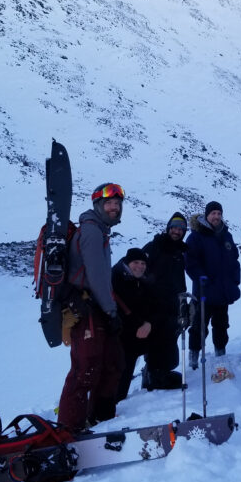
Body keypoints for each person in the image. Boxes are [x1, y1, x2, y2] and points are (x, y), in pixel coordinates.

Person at [56, 182, 126, 432]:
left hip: (97, 306)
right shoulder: (92, 231)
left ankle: (100, 417)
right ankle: (67, 429)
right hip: (87, 309)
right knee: (85, 369)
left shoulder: (100, 230)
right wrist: (110, 311)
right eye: (109, 203)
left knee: (111, 362)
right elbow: (96, 276)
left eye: (117, 204)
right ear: (97, 205)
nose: (114, 207)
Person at [184, 201, 241, 369]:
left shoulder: (226, 235)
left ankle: (220, 354)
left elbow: (234, 260)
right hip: (204, 292)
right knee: (198, 327)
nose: (216, 216)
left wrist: (235, 280)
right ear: (206, 215)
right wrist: (201, 278)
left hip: (223, 292)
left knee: (221, 326)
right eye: (213, 213)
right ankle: (194, 358)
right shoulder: (196, 236)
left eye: (218, 213)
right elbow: (190, 262)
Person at [141, 212, 188, 388]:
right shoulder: (154, 247)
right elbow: (140, 272)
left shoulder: (178, 252)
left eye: (181, 229)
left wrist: (183, 301)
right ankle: (153, 376)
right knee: (156, 341)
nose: (177, 231)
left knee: (169, 340)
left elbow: (180, 279)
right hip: (154, 304)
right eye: (174, 228)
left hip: (172, 304)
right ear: (168, 228)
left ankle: (163, 372)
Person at [111, 247, 158, 402]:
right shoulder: (116, 278)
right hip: (118, 335)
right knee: (115, 373)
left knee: (127, 369)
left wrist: (148, 323)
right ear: (127, 262)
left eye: (143, 263)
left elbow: (150, 305)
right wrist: (140, 325)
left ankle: (118, 402)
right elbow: (118, 309)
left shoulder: (141, 280)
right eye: (136, 262)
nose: (140, 266)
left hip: (135, 335)